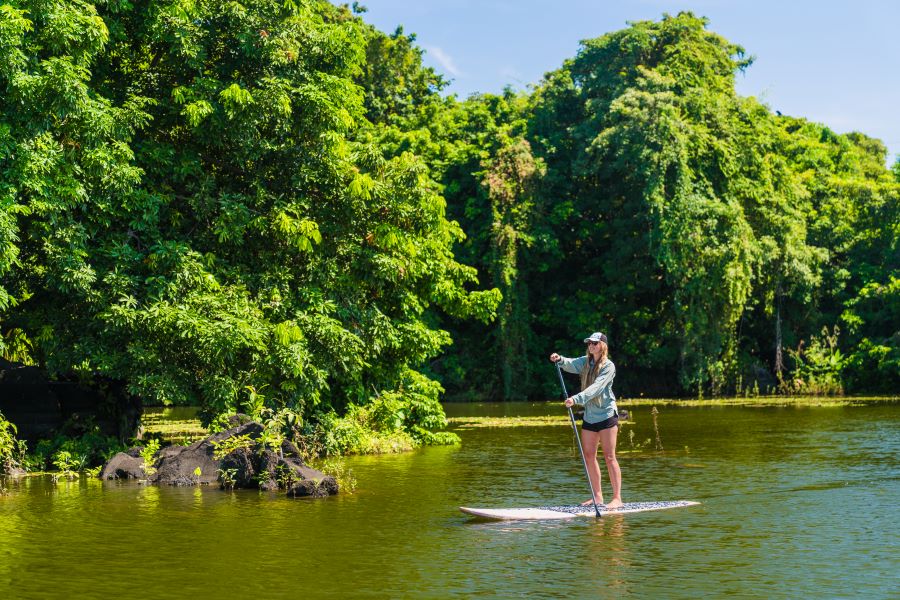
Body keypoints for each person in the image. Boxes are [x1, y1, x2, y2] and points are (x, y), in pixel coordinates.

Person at [550, 332, 623, 509]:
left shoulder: (609, 366)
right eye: (590, 343)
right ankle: (598, 497)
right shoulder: (586, 361)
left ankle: (617, 498)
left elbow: (596, 388)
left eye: (595, 343)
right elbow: (570, 364)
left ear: (602, 346)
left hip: (606, 415)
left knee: (609, 456)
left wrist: (576, 399)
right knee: (589, 456)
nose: (591, 346)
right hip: (590, 416)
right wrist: (559, 359)